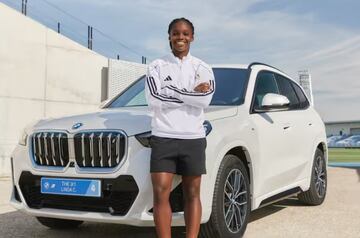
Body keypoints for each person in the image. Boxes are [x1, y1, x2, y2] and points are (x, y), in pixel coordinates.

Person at [145, 18, 215, 238]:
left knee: (192, 193)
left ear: (192, 37)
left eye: (185, 33)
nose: (180, 38)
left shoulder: (203, 68)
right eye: (176, 33)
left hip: (193, 137)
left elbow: (204, 100)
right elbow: (154, 99)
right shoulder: (156, 66)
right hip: (163, 136)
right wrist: (190, 94)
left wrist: (171, 91)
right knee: (160, 192)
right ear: (169, 36)